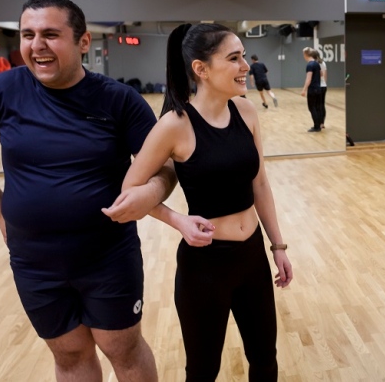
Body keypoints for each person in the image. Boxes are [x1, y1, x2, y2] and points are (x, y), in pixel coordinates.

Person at [0, 0, 173, 381]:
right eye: (28, 35)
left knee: (123, 349)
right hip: (34, 262)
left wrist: (153, 193)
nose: (37, 45)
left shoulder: (119, 100)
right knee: (69, 355)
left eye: (51, 34)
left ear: (83, 42)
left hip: (107, 257)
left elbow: (163, 165)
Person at [119, 23, 293, 381]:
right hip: (206, 267)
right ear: (201, 69)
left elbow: (259, 181)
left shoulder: (246, 111)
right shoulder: (175, 125)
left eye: (243, 56)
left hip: (252, 257)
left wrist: (278, 245)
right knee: (203, 370)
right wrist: (177, 220)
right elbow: (129, 192)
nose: (245, 65)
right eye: (234, 58)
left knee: (265, 359)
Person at [300, 46, 323, 132]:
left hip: (312, 89)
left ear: (306, 54)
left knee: (312, 107)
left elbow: (308, 78)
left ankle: (316, 127)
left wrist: (304, 90)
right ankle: (319, 125)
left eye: (303, 54)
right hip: (318, 88)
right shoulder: (317, 64)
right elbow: (321, 74)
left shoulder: (309, 65)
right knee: (317, 107)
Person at [317, 52, 328, 129]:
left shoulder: (314, 64)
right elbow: (325, 76)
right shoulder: (323, 63)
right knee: (322, 104)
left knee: (318, 105)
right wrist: (324, 83)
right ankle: (322, 123)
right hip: (323, 86)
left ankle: (318, 122)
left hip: (318, 86)